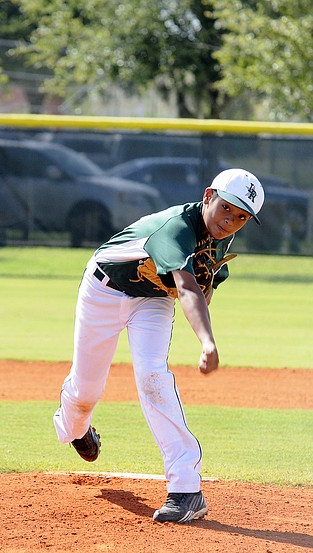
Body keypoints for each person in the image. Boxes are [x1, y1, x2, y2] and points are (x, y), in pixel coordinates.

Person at [53, 168, 264, 524]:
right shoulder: (176, 227)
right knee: (86, 389)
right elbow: (185, 288)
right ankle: (75, 428)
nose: (231, 220)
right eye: (227, 208)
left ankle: (186, 490)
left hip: (152, 301)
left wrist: (207, 288)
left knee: (153, 377)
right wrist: (207, 341)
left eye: (242, 217)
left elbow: (200, 293)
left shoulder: (220, 241)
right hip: (104, 289)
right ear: (209, 195)